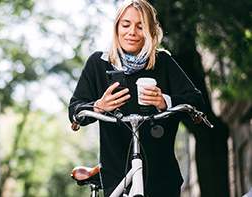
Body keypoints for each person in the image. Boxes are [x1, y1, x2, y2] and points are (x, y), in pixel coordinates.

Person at [68, 0, 205, 196]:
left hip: (161, 174)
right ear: (116, 28)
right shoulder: (98, 64)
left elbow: (197, 101)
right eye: (126, 25)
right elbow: (74, 109)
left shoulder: (163, 62)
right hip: (116, 172)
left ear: (149, 31)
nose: (132, 31)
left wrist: (165, 101)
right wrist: (99, 106)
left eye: (141, 26)